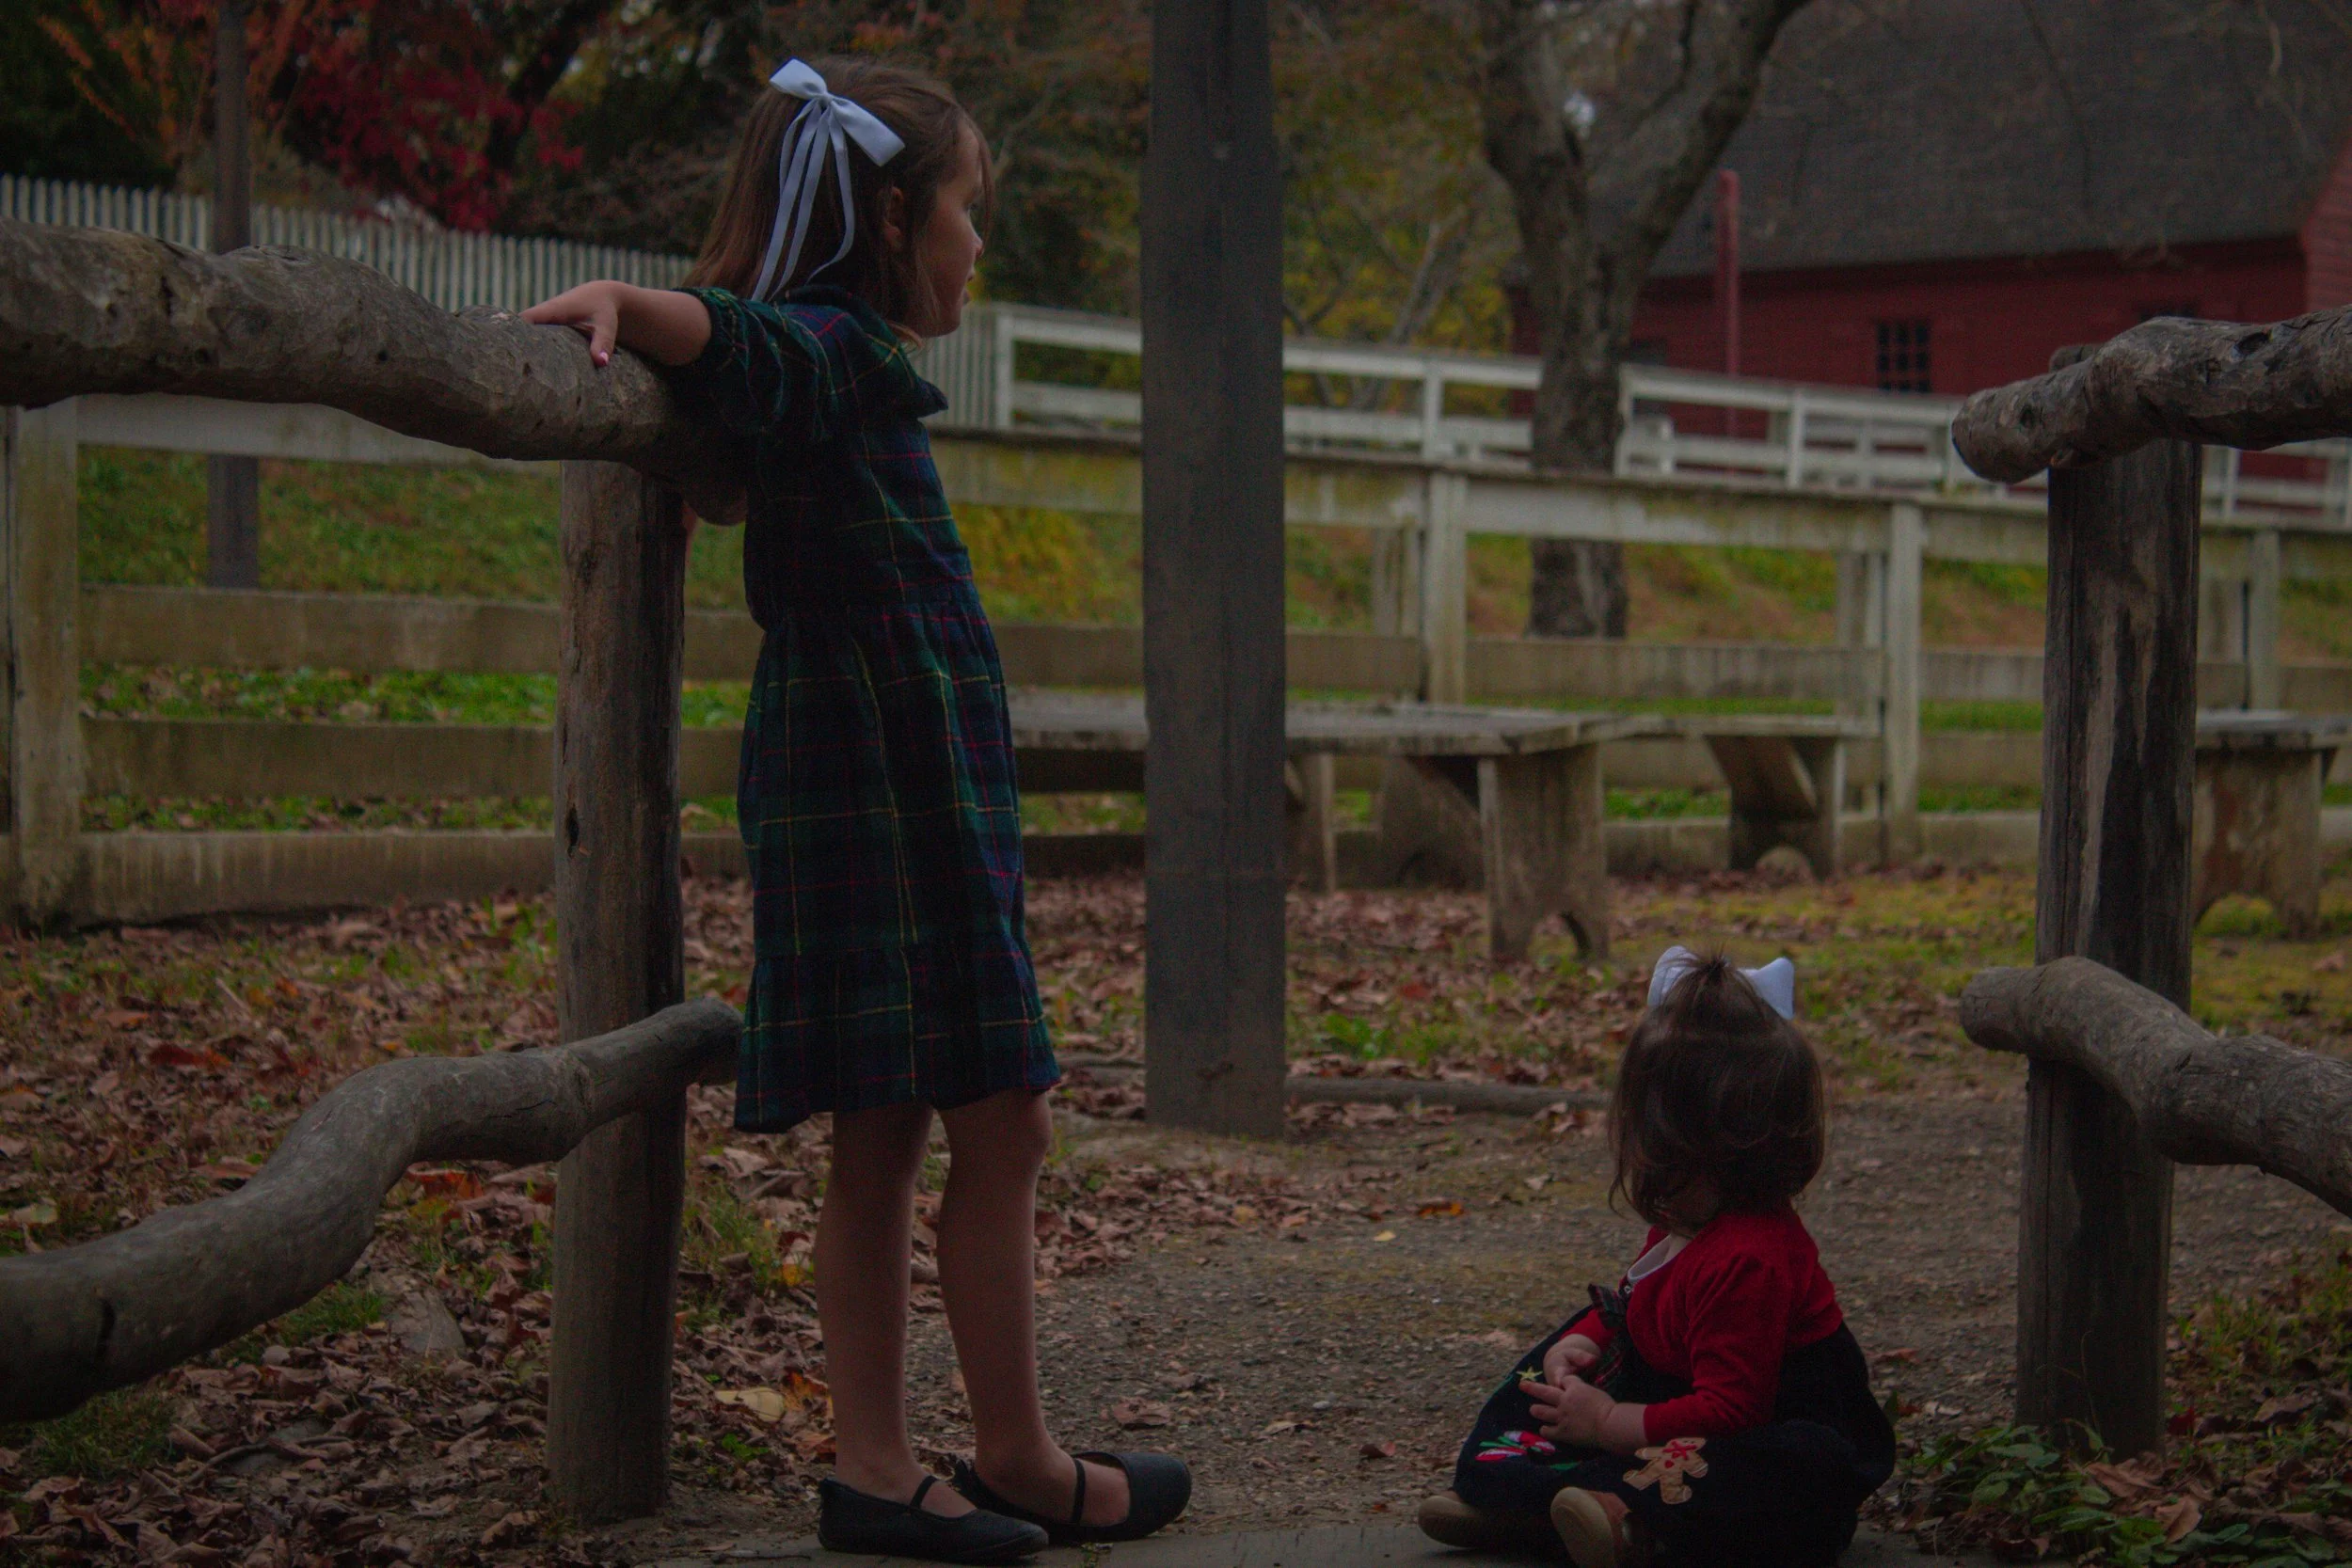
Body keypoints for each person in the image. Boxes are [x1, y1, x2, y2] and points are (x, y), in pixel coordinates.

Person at [521, 55, 1187, 1566]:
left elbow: (753, 374)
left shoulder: (850, 366)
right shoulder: (826, 342)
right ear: (893, 218)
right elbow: (739, 336)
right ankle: (887, 1468)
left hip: (923, 782)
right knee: (903, 1122)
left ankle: (1005, 1450)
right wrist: (630, 305)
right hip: (867, 782)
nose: (977, 241)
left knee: (988, 1114)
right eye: (967, 208)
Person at [1418, 947, 1894, 1568]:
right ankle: (1520, 1494)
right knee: (1561, 1352)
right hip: (1668, 1406)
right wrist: (1586, 1342)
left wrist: (1610, 1422)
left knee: (1790, 1466)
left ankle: (1630, 1520)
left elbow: (1732, 1412)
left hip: (1750, 1428)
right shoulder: (1687, 1216)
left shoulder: (1751, 1257)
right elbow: (1637, 1300)